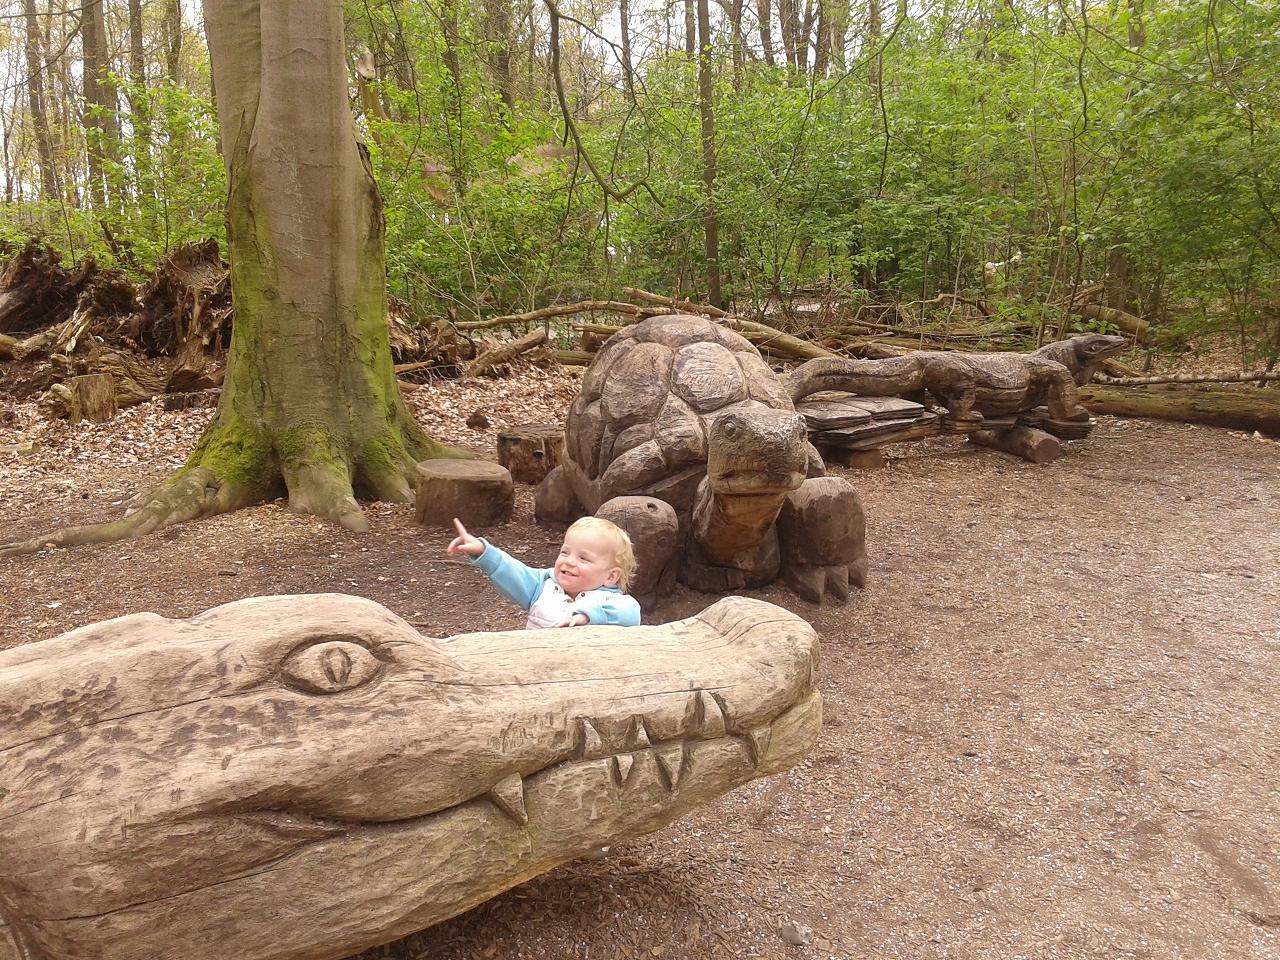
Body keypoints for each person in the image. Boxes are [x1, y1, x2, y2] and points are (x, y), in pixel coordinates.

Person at [446, 516, 641, 628]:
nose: (569, 561)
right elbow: (511, 571)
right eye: (565, 552)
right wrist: (483, 550)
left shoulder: (612, 602)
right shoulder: (543, 585)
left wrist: (588, 616)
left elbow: (631, 613)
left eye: (584, 558)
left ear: (610, 576)